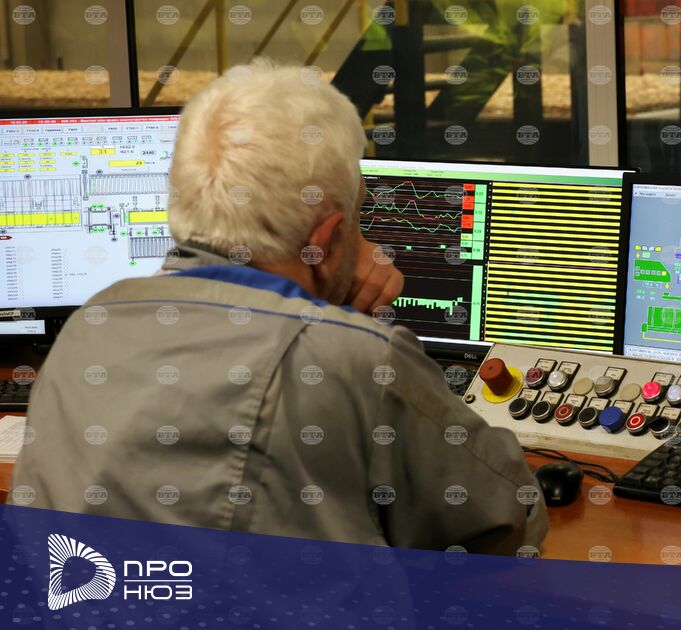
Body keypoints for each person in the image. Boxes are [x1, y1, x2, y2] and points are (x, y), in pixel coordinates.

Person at [9, 61, 547, 553]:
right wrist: (344, 316)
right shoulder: (357, 359)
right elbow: (505, 517)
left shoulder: (88, 327)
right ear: (327, 238)